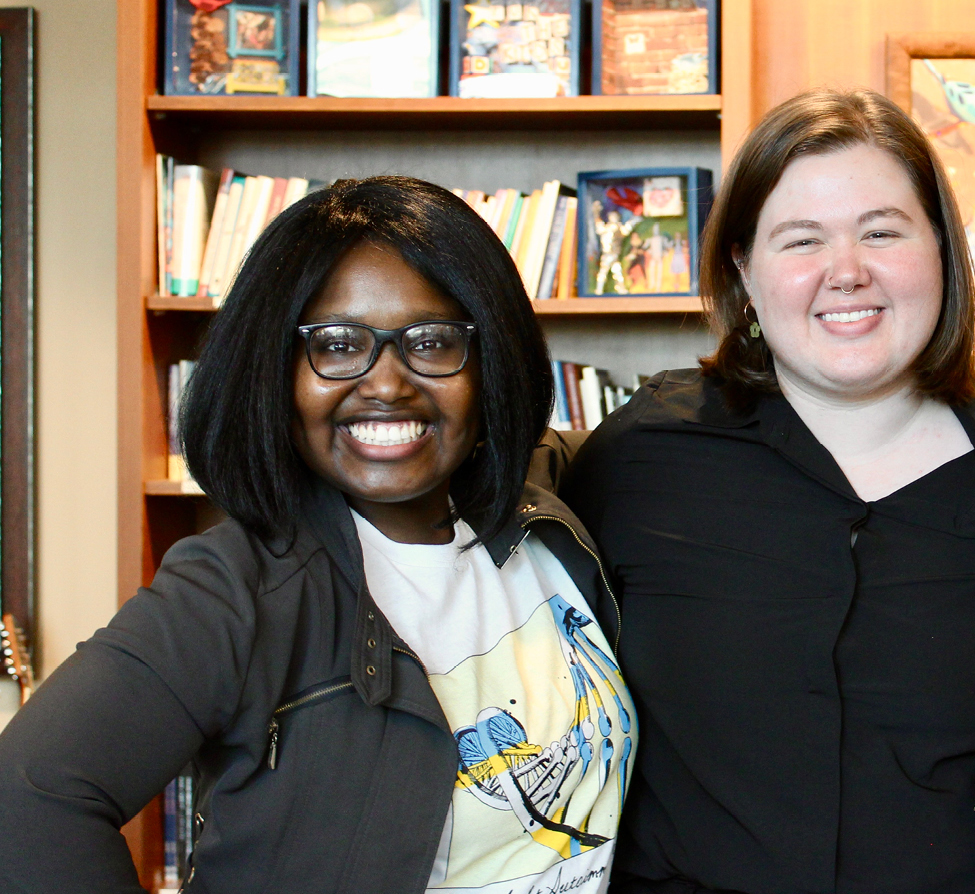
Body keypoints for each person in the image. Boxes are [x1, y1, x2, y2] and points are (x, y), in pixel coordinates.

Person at [554, 89, 975, 894]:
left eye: (882, 232)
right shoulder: (642, 457)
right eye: (802, 240)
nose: (847, 271)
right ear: (744, 269)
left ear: (942, 248)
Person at [0, 176, 630, 892]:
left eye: (431, 342)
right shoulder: (233, 589)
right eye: (337, 344)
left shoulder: (550, 511)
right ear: (277, 372)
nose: (387, 384)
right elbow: (25, 804)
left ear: (492, 365)